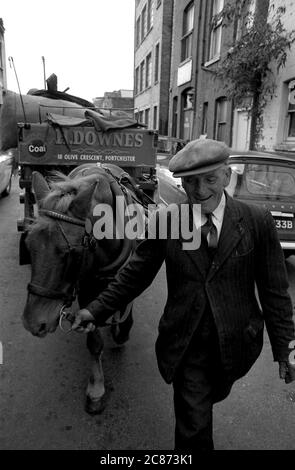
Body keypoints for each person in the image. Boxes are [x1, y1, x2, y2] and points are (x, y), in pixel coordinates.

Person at [72, 138, 295, 450]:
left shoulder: (257, 222)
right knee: (193, 426)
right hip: (187, 344)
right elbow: (136, 273)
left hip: (238, 342)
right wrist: (94, 310)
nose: (200, 191)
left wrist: (287, 349)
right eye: (190, 182)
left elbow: (275, 291)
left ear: (227, 176)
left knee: (213, 394)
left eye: (210, 179)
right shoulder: (167, 220)